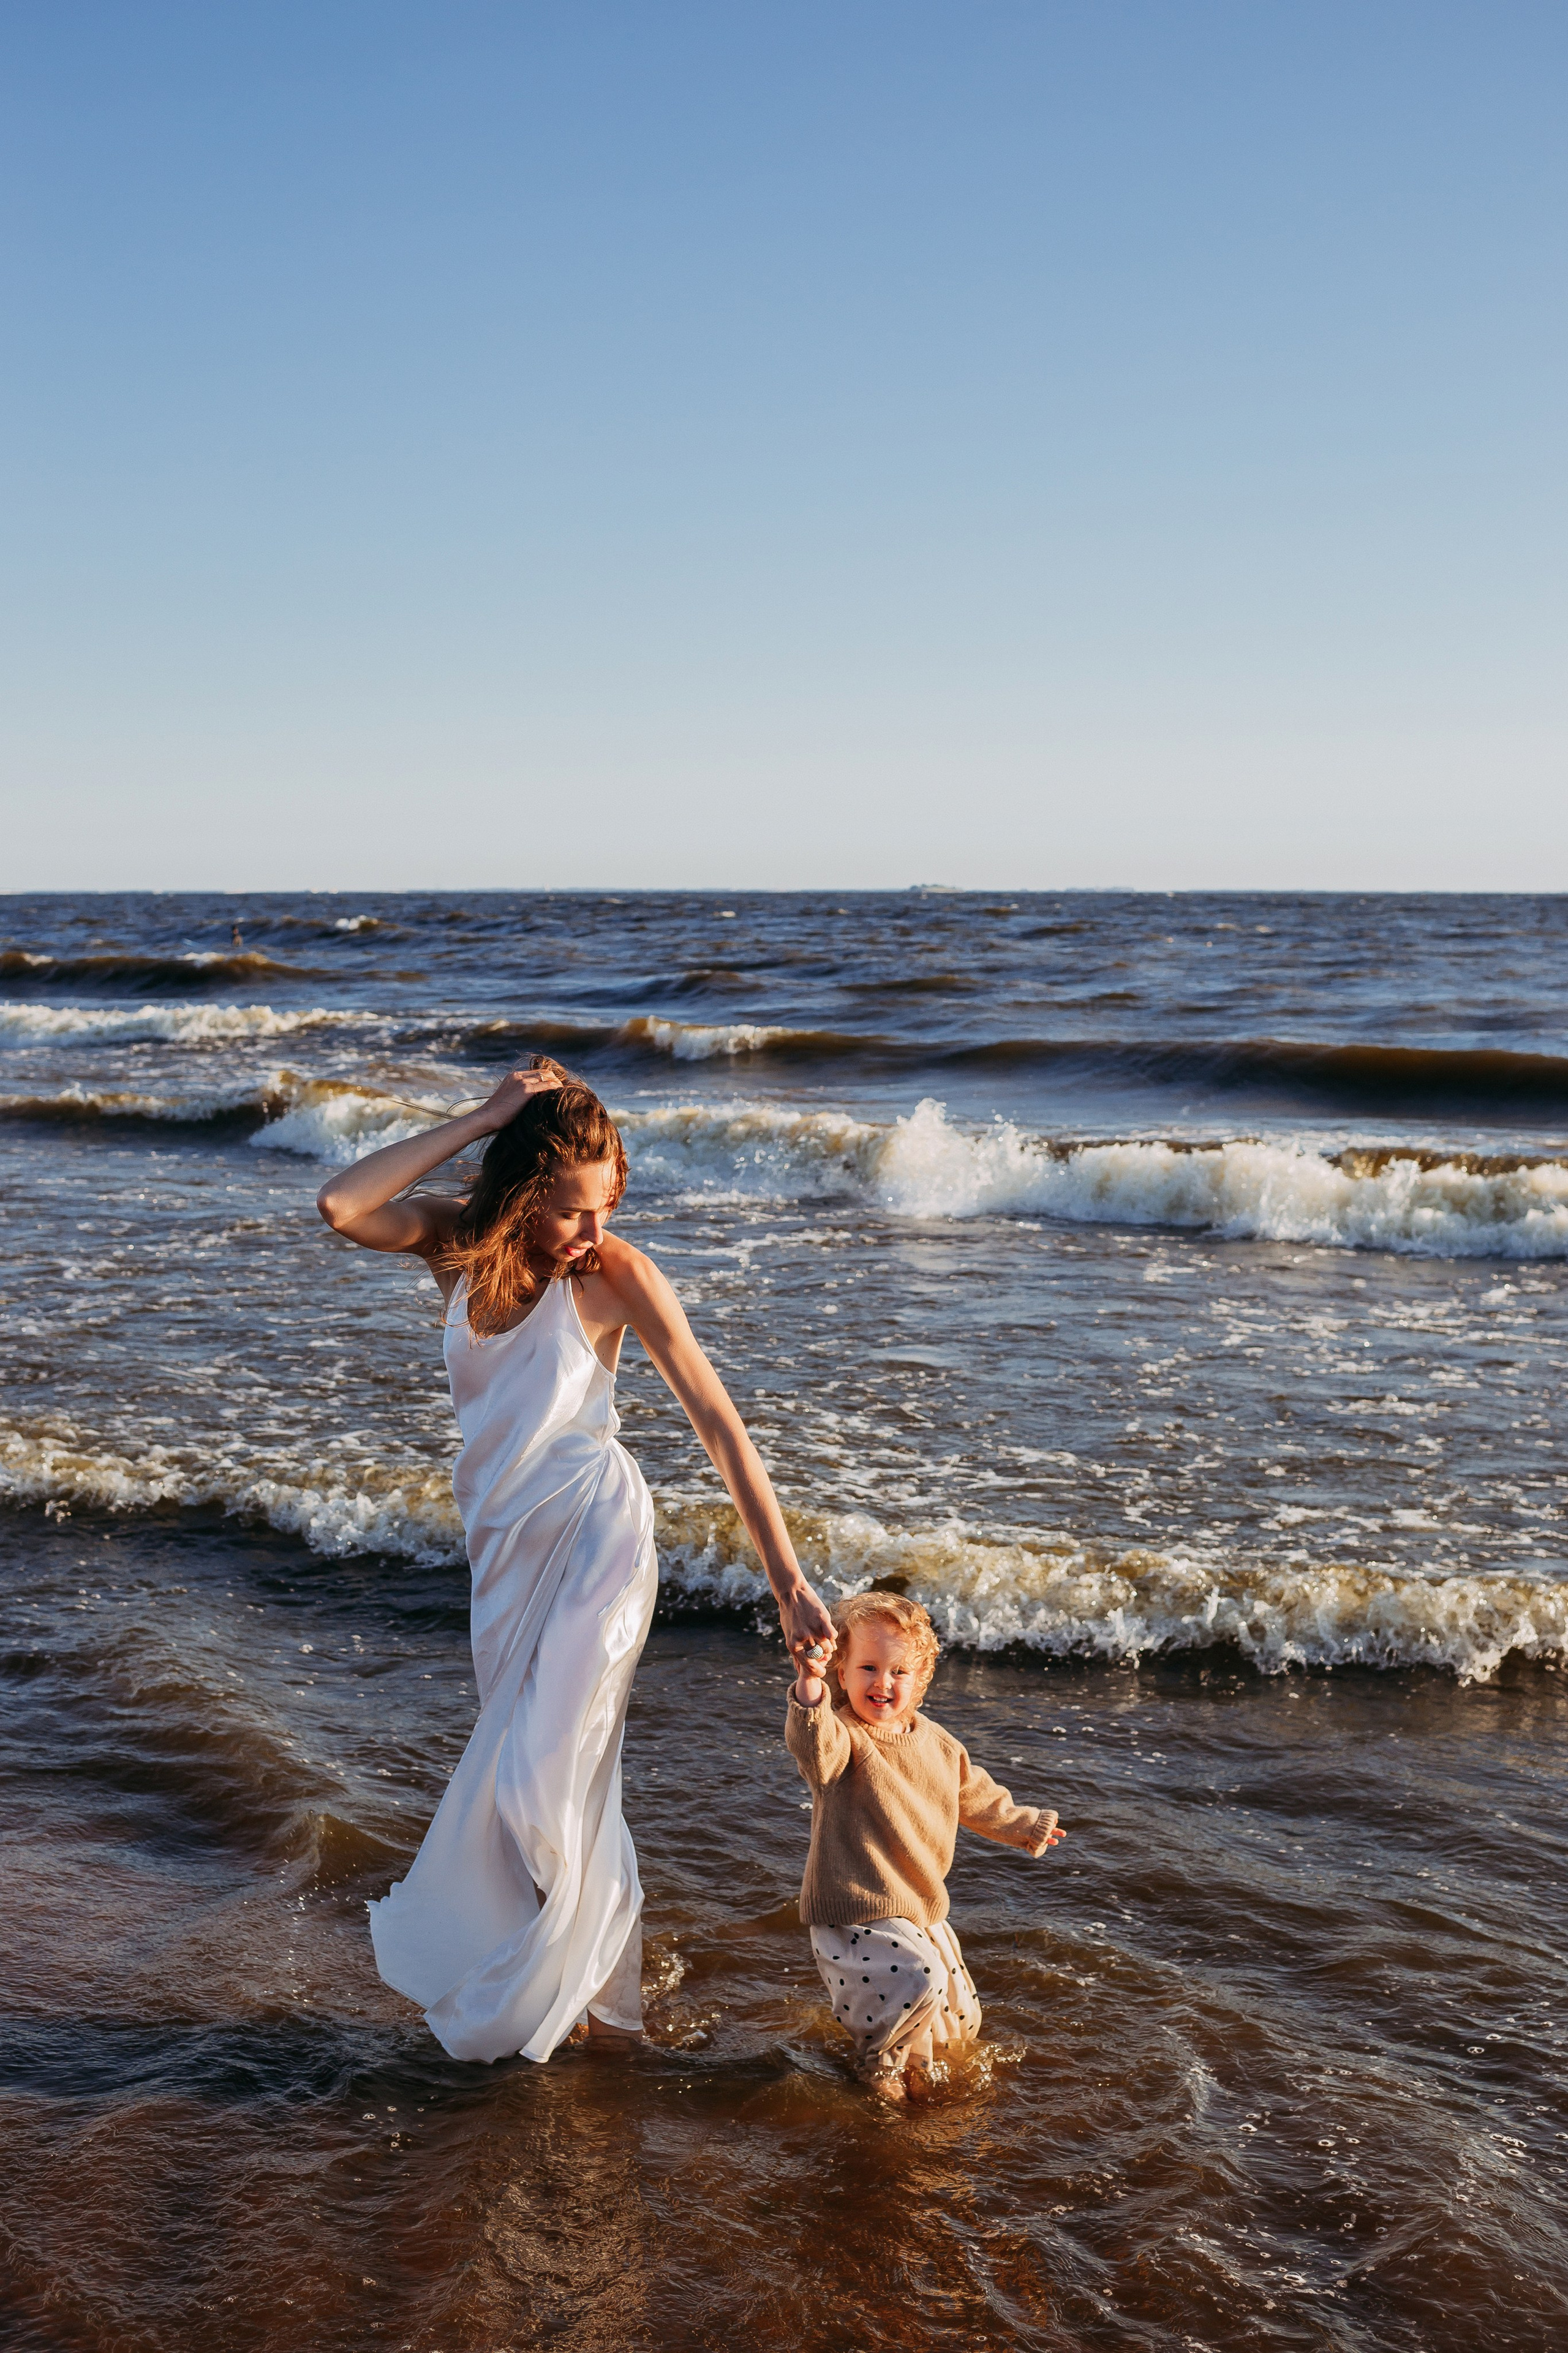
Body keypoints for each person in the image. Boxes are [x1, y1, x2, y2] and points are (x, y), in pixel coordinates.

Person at [316, 1058, 834, 2064]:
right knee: (550, 1788)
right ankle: (605, 2006)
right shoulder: (459, 1249)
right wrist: (486, 1115)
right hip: (503, 1552)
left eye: (604, 1206)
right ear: (517, 1195)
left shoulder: (613, 1276)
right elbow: (342, 1204)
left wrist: (788, 1579)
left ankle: (599, 2004)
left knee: (549, 1779)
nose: (592, 1233)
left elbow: (720, 1423)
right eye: (569, 1211)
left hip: (598, 1530)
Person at [787, 1590, 1064, 2101]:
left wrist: (1027, 1826)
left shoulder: (937, 1742)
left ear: (921, 1681)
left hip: (915, 1901)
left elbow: (975, 1795)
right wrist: (809, 1687)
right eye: (867, 1667)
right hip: (855, 1902)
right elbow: (814, 1748)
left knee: (957, 2008)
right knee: (916, 1979)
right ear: (840, 1672)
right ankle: (876, 2073)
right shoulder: (845, 1736)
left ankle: (916, 2071)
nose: (882, 1683)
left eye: (899, 1672)